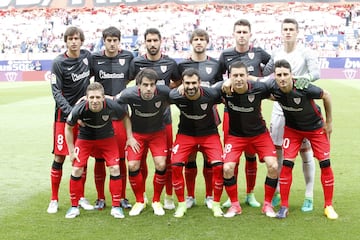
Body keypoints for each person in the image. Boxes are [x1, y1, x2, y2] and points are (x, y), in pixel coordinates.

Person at [269, 59, 338, 220]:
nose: (282, 78)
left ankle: (328, 206)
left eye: (286, 74)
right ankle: (284, 206)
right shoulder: (273, 88)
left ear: (292, 75)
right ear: (275, 77)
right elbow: (255, 83)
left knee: (325, 163)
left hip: (315, 129)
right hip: (293, 130)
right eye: (279, 75)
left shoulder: (304, 87)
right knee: (286, 164)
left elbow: (326, 95)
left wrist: (329, 122)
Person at [263, 18, 320, 211]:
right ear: (281, 32)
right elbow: (266, 72)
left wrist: (307, 78)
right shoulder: (276, 52)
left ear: (297, 32)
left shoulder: (305, 52)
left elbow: (316, 72)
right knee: (278, 152)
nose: (288, 32)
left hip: (301, 110)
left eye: (291, 29)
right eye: (285, 29)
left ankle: (309, 195)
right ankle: (278, 191)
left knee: (306, 154)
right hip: (280, 109)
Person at [219, 19, 272, 208]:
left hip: (252, 110)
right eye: (238, 32)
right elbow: (219, 80)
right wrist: (225, 85)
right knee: (232, 156)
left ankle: (250, 194)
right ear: (233, 34)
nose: (241, 35)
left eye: (245, 32)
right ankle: (231, 197)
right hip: (230, 113)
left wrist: (259, 79)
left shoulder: (258, 53)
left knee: (251, 155)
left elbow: (273, 69)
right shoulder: (225, 54)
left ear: (250, 34)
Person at [64, 82, 135, 219]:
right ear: (87, 98)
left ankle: (116, 207)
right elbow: (68, 127)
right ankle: (74, 206)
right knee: (76, 170)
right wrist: (71, 151)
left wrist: (130, 137)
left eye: (97, 97)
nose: (95, 101)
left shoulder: (112, 105)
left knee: (115, 168)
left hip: (107, 139)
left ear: (103, 98)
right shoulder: (79, 108)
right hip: (85, 139)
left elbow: (125, 117)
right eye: (91, 98)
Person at [129, 28, 181, 210]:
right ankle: (141, 197)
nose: (152, 44)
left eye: (155, 41)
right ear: (145, 42)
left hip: (163, 121)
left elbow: (178, 82)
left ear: (160, 42)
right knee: (139, 160)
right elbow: (127, 85)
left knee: (165, 161)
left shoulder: (170, 63)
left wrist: (166, 95)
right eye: (149, 40)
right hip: (140, 122)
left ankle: (167, 196)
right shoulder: (136, 63)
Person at [219, 61, 278, 218]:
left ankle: (267, 205)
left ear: (247, 76)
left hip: (260, 135)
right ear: (229, 77)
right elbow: (202, 90)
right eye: (234, 76)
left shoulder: (259, 89)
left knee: (273, 166)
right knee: (227, 169)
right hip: (236, 136)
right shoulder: (223, 89)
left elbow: (275, 86)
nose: (238, 79)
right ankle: (234, 205)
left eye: (241, 75)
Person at [47, 26, 93, 214]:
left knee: (81, 158)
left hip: (83, 116)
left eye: (77, 38)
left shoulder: (87, 56)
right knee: (59, 156)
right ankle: (54, 199)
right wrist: (71, 113)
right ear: (65, 41)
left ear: (81, 41)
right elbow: (56, 92)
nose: (74, 41)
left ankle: (80, 197)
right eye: (70, 38)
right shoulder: (59, 62)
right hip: (63, 117)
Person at [177, 28, 223, 209]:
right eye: (195, 39)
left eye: (202, 39)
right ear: (191, 42)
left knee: (208, 159)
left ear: (207, 42)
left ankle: (209, 196)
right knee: (189, 159)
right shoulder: (182, 66)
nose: (199, 42)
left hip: (208, 118)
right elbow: (174, 86)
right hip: (187, 119)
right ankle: (190, 196)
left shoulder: (215, 64)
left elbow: (219, 88)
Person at [115, 68, 171, 216]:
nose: (149, 88)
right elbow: (116, 104)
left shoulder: (164, 92)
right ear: (138, 85)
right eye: (145, 85)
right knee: (133, 165)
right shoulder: (129, 94)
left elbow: (178, 96)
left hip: (157, 133)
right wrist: (129, 136)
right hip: (137, 134)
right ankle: (140, 201)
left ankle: (156, 201)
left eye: (152, 85)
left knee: (161, 164)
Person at [170, 68, 224, 218]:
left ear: (200, 83)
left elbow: (224, 88)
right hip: (186, 134)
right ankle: (184, 202)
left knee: (219, 166)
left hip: (209, 134)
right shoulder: (176, 96)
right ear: (183, 84)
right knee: (175, 165)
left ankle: (214, 201)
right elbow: (168, 93)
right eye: (187, 83)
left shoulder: (211, 94)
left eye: (194, 83)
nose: (191, 86)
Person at [91, 26, 134, 210]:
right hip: (99, 117)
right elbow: (86, 81)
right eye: (108, 40)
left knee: (121, 159)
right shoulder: (95, 59)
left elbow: (135, 80)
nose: (112, 44)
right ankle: (100, 198)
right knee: (100, 159)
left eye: (115, 40)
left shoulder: (128, 57)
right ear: (104, 41)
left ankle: (122, 197)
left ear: (119, 41)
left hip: (120, 115)